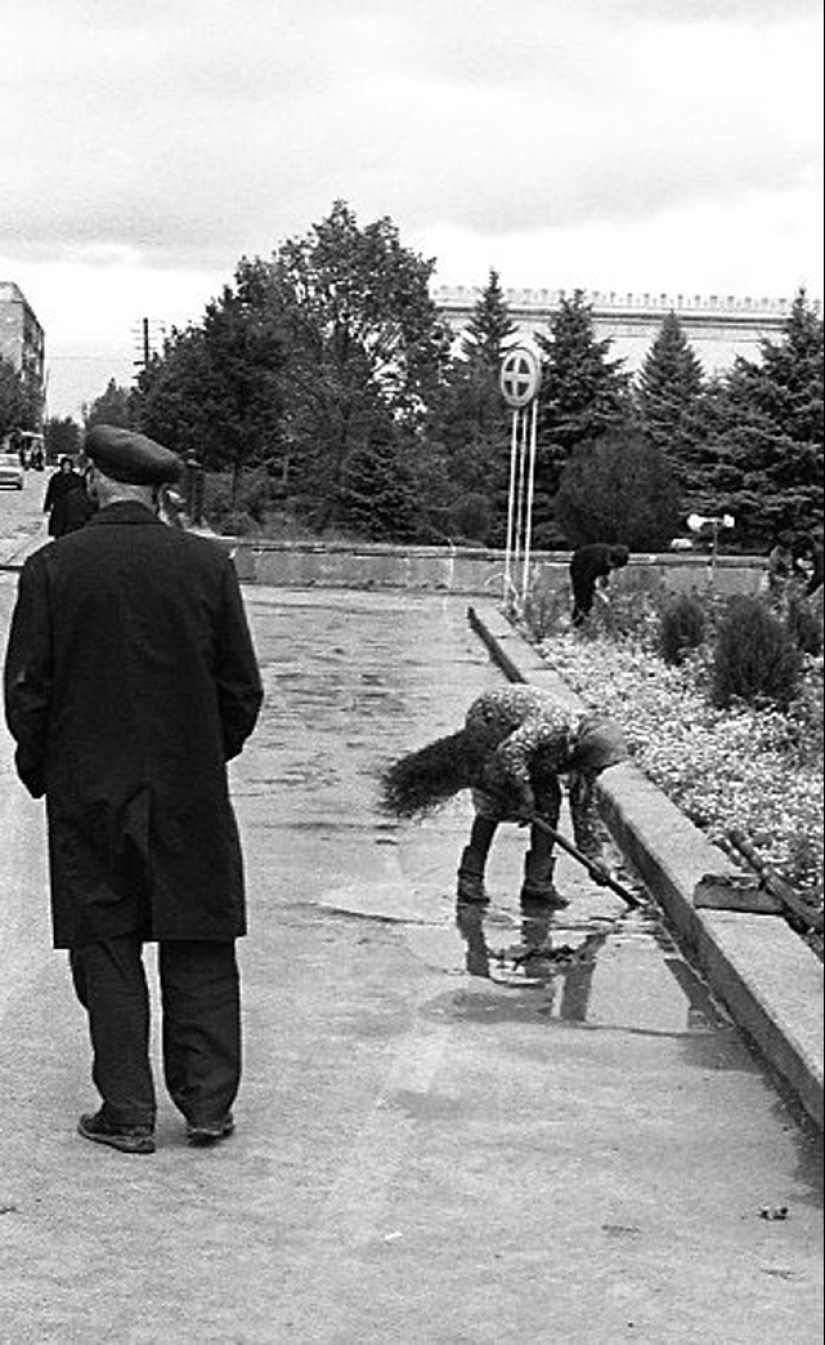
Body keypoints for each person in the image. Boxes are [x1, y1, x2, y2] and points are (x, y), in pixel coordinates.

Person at [4, 424, 263, 1156]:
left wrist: (46, 768)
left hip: (89, 788)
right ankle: (207, 1104)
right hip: (189, 787)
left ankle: (127, 1111)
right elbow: (240, 688)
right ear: (160, 492)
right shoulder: (206, 566)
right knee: (201, 937)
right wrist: (205, 755)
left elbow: (27, 688)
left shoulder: (56, 567)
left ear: (95, 480)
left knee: (105, 940)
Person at [381, 684, 628, 907]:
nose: (597, 772)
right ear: (581, 751)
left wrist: (594, 857)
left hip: (533, 750)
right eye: (596, 767)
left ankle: (537, 884)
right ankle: (470, 878)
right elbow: (510, 753)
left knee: (550, 802)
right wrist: (524, 794)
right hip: (493, 723)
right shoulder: (553, 726)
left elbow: (582, 808)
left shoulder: (585, 760)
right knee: (494, 801)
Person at [569, 542, 630, 626]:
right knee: (584, 600)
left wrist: (605, 579)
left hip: (593, 564)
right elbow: (587, 581)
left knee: (592, 600)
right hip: (579, 567)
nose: (614, 569)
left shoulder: (612, 555)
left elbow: (606, 571)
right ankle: (577, 624)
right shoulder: (596, 561)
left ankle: (585, 621)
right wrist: (599, 593)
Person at [43, 456, 86, 537]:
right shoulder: (56, 478)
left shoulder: (76, 478)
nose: (66, 467)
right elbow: (51, 491)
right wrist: (47, 505)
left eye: (68, 465)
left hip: (72, 507)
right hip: (59, 505)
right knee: (58, 527)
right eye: (65, 465)